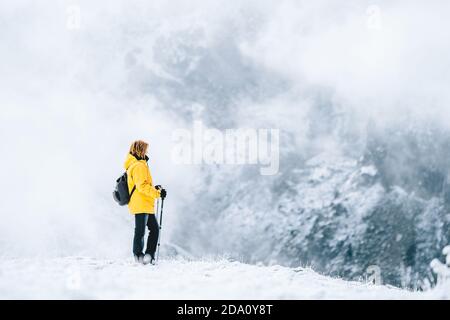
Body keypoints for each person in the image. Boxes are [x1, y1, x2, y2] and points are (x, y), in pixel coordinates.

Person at [124, 140, 166, 265]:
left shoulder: (135, 165)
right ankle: (141, 256)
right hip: (141, 203)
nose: (147, 152)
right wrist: (157, 193)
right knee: (143, 230)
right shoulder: (138, 166)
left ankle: (145, 255)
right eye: (145, 149)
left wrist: (155, 188)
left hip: (143, 203)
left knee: (150, 229)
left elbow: (142, 185)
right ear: (140, 150)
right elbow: (142, 186)